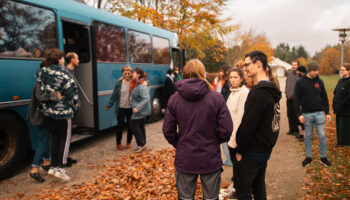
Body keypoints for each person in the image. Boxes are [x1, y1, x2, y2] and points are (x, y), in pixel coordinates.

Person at [162, 59, 233, 200]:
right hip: (210, 156)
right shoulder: (216, 98)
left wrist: (180, 142)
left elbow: (167, 130)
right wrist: (214, 141)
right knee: (211, 198)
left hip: (185, 156)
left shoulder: (174, 99)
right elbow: (227, 129)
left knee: (185, 198)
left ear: (185, 73)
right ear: (203, 73)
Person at [235, 51, 281, 200]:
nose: (245, 68)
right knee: (259, 188)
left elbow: (248, 126)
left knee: (243, 191)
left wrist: (240, 150)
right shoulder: (270, 91)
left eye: (247, 64)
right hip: (264, 151)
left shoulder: (258, 94)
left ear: (258, 64)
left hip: (252, 153)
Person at [37, 48, 80, 181]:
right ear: (59, 59)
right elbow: (71, 94)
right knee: (65, 139)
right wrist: (75, 106)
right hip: (63, 112)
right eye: (62, 58)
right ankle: (61, 168)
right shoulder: (64, 73)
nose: (63, 60)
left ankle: (53, 166)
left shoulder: (42, 72)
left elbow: (41, 92)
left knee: (54, 138)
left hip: (49, 112)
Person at [26, 61, 61, 182]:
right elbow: (40, 97)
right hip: (40, 116)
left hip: (44, 116)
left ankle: (46, 163)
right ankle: (34, 170)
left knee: (47, 139)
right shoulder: (41, 81)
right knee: (44, 141)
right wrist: (55, 96)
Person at [294, 62, 332, 167]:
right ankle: (308, 157)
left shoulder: (320, 81)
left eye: (317, 70)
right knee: (308, 136)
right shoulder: (300, 82)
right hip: (307, 114)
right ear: (309, 70)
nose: (317, 72)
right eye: (315, 70)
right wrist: (299, 114)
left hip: (320, 113)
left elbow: (324, 97)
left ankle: (323, 157)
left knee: (322, 136)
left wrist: (327, 112)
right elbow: (296, 99)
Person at [221, 67, 249, 199]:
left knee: (239, 167)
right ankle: (235, 187)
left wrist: (233, 140)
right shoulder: (232, 92)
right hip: (230, 134)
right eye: (231, 77)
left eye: (235, 77)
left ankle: (238, 191)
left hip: (236, 137)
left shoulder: (244, 92)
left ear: (242, 78)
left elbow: (240, 118)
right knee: (235, 167)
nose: (232, 80)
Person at [105, 65, 133, 150]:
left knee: (130, 126)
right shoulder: (118, 83)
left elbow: (145, 82)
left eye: (129, 73)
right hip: (120, 108)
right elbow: (114, 95)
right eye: (125, 73)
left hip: (130, 108)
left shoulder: (133, 82)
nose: (127, 75)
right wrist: (109, 105)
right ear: (122, 74)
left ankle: (128, 142)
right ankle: (118, 143)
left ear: (131, 74)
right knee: (119, 126)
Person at [63, 52, 80, 167]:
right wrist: (75, 104)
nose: (79, 60)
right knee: (65, 134)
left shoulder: (71, 72)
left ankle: (66, 156)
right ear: (72, 60)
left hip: (72, 108)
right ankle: (63, 160)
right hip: (68, 108)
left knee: (68, 134)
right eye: (77, 58)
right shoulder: (66, 73)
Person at [129, 67, 151, 153]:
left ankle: (141, 144)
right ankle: (142, 144)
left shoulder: (141, 86)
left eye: (133, 73)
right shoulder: (136, 83)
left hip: (139, 111)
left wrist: (137, 108)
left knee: (133, 125)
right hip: (140, 110)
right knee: (141, 127)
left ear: (138, 75)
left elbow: (146, 99)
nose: (131, 74)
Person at [333, 63, 350, 146]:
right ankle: (340, 142)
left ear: (349, 71)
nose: (341, 71)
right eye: (341, 70)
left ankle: (345, 143)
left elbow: (348, 97)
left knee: (345, 127)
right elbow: (335, 92)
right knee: (339, 127)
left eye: (343, 70)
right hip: (338, 109)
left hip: (346, 110)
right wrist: (335, 104)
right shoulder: (341, 80)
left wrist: (342, 104)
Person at [285, 60, 300, 137]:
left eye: (295, 65)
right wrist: (286, 92)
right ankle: (291, 129)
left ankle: (296, 130)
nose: (293, 66)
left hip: (295, 99)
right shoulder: (289, 74)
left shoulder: (299, 75)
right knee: (289, 114)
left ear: (298, 66)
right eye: (292, 65)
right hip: (289, 98)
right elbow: (287, 83)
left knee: (295, 115)